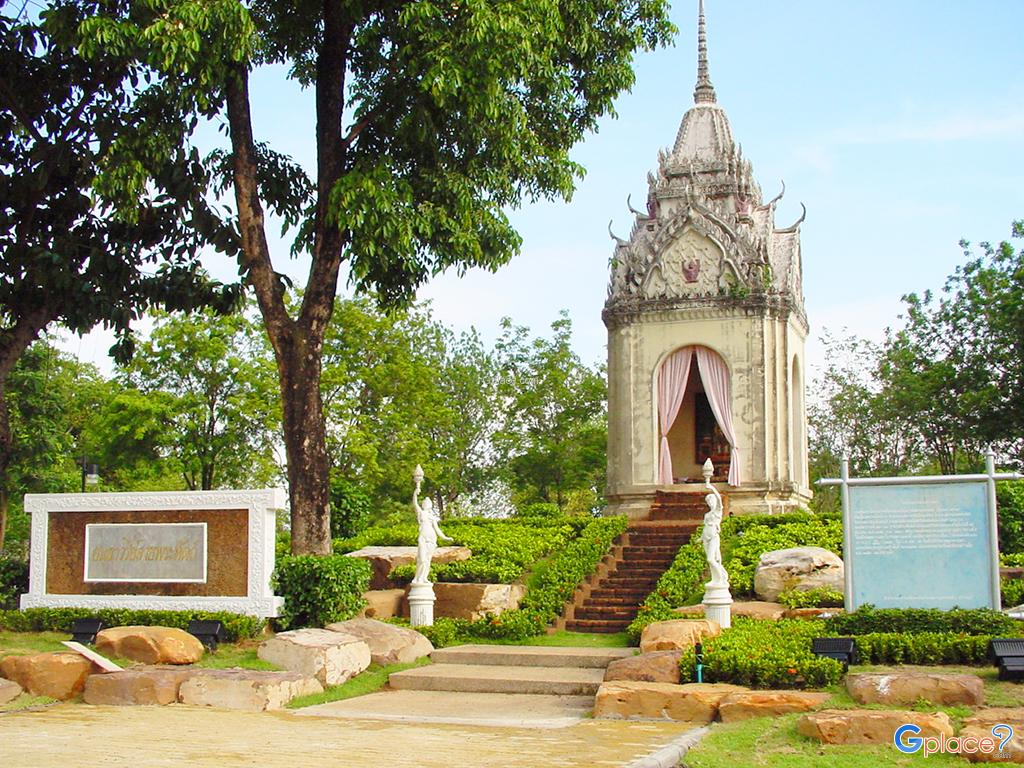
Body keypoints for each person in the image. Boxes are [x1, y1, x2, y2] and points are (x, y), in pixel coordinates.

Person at [413, 485, 452, 584]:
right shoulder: (421, 513)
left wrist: (445, 537)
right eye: (425, 503)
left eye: (428, 503)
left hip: (432, 538)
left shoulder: (432, 517)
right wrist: (415, 493)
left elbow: (437, 529)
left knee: (427, 560)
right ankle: (417, 578)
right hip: (423, 538)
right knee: (421, 559)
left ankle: (424, 577)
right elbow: (415, 504)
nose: (426, 504)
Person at [701, 491, 729, 588]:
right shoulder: (707, 515)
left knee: (711, 559)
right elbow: (705, 527)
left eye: (711, 500)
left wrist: (710, 487)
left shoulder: (717, 511)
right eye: (708, 502)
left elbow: (718, 498)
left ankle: (721, 577)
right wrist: (701, 538)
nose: (710, 503)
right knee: (711, 560)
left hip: (713, 536)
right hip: (706, 537)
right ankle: (715, 579)